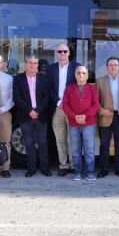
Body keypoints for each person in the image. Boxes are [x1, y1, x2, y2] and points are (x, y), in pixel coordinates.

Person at [13, 56, 52, 177]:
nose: (32, 65)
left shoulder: (44, 79)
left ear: (37, 65)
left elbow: (47, 98)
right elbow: (16, 97)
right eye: (30, 63)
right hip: (25, 116)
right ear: (26, 64)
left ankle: (45, 168)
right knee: (29, 144)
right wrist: (30, 111)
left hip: (41, 115)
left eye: (35, 63)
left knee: (42, 143)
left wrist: (37, 111)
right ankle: (31, 169)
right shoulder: (18, 79)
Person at [48, 43, 80, 176]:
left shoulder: (77, 67)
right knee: (60, 137)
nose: (62, 54)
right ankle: (63, 165)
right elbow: (48, 88)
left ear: (69, 53)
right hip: (57, 108)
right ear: (56, 53)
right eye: (59, 51)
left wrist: (66, 102)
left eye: (64, 51)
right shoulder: (50, 69)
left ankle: (73, 165)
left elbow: (79, 86)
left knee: (72, 138)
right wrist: (59, 101)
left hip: (72, 107)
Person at [96, 56, 119, 178]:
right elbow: (95, 101)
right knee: (104, 144)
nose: (113, 67)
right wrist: (101, 111)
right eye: (111, 65)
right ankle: (103, 169)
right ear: (107, 67)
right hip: (105, 116)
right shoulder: (100, 81)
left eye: (115, 65)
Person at [62, 66, 99, 181]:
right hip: (74, 123)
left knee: (89, 150)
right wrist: (75, 116)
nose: (81, 75)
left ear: (87, 75)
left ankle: (89, 173)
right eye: (78, 73)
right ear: (75, 75)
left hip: (89, 123)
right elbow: (65, 105)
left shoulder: (92, 89)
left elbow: (95, 105)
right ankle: (77, 173)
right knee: (76, 150)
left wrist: (85, 116)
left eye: (83, 73)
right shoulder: (69, 88)